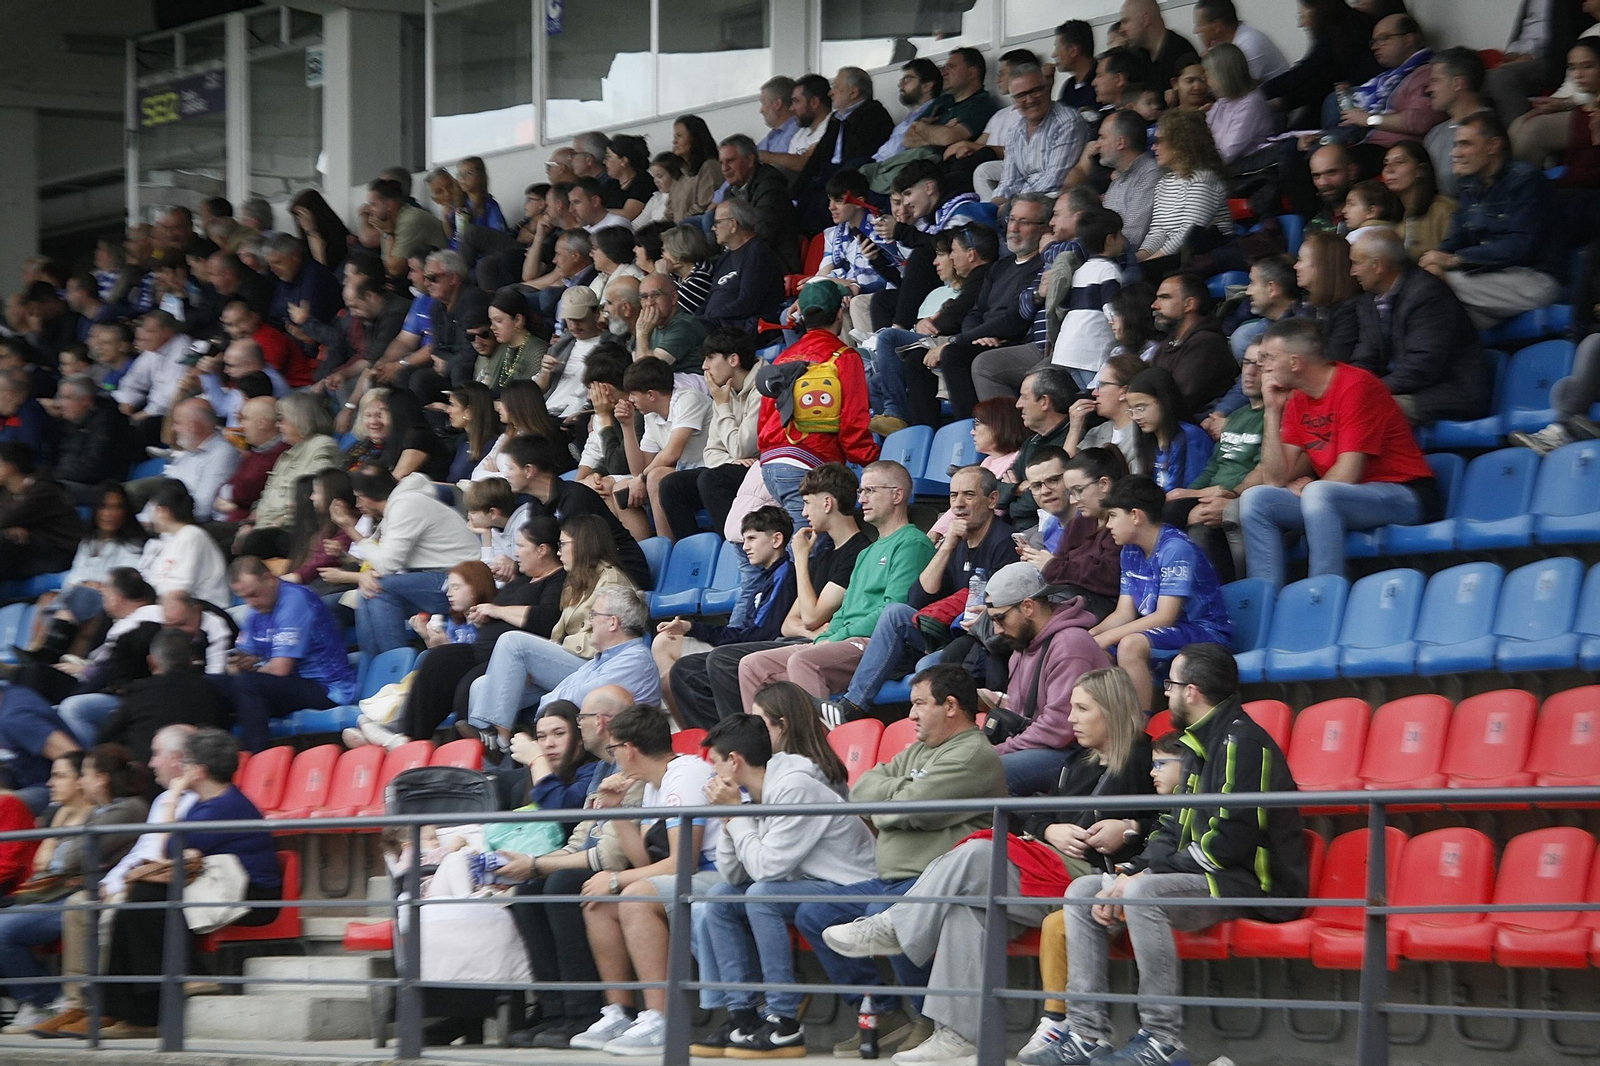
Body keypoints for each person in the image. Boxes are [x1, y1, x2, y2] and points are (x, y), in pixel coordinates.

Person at [826, 667, 1157, 1066]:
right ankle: (960, 1037)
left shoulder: (1144, 758)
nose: (1070, 719)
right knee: (968, 909)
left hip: (1093, 882)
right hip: (1048, 867)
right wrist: (1049, 827)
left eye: (1082, 709)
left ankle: (898, 925)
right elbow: (1029, 817)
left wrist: (1131, 830)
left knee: (979, 851)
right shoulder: (1077, 762)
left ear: (1111, 711)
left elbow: (1170, 828)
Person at [1043, 644, 1306, 1066]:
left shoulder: (1244, 742)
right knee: (1084, 891)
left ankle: (1162, 1040)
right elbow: (1171, 827)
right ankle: (1086, 1032)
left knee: (1143, 896)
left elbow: (1226, 844)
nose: (1165, 694)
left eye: (1171, 685)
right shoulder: (1199, 742)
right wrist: (1131, 869)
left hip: (1252, 883)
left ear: (1192, 692)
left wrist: (1142, 880)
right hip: (1207, 874)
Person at [793, 666, 1007, 1056]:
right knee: (813, 912)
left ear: (952, 706)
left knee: (885, 909)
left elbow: (912, 809)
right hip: (889, 878)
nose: (911, 715)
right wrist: (900, 796)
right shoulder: (918, 750)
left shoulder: (974, 753)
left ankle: (930, 1018)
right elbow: (862, 792)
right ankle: (884, 1013)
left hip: (933, 882)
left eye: (920, 704)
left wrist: (895, 801)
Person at [692, 713, 879, 1057]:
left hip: (855, 885)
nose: (711, 776)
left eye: (714, 764)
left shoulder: (794, 786)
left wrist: (736, 817)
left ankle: (784, 1021)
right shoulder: (757, 791)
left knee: (761, 897)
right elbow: (733, 876)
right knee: (719, 897)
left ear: (734, 761)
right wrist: (731, 819)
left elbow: (766, 869)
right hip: (808, 884)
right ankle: (743, 1016)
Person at [99, 728, 282, 1036]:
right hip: (214, 886)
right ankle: (133, 1010)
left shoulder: (223, 806)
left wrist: (173, 795)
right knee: (136, 904)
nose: (180, 770)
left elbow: (168, 847)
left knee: (145, 896)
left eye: (186, 764)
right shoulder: (209, 802)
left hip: (251, 895)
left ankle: (162, 999)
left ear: (200, 770)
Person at [567, 704, 723, 1056]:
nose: (614, 757)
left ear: (629, 749)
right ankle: (619, 1012)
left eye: (614, 749)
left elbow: (682, 863)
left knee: (634, 895)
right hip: (689, 876)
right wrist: (617, 813)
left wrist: (616, 879)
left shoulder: (684, 775)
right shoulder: (653, 782)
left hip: (719, 876)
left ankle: (661, 1019)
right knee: (599, 905)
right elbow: (648, 861)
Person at [1241, 317, 1440, 590]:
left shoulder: (1356, 386)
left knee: (1319, 493)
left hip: (1403, 494)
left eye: (1268, 357)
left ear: (1295, 362)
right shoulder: (1298, 398)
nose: (1261, 365)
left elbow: (1346, 475)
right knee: (1256, 499)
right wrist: (1272, 411)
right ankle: (1266, 598)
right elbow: (1275, 479)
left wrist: (1314, 486)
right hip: (1342, 497)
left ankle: (1322, 594)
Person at [817, 465, 1017, 727]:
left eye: (968, 495)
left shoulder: (1003, 542)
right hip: (943, 630)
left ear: (992, 500)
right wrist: (947, 545)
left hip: (977, 638)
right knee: (895, 613)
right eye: (953, 495)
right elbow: (918, 597)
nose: (958, 504)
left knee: (927, 666)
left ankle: (853, 710)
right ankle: (852, 705)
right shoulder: (955, 542)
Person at [736, 460, 934, 705]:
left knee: (805, 661)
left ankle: (817, 741)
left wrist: (836, 638)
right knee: (752, 665)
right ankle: (769, 741)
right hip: (845, 641)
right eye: (862, 492)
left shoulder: (912, 543)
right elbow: (844, 611)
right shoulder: (866, 553)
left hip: (877, 644)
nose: (861, 500)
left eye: (870, 491)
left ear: (897, 495)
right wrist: (824, 639)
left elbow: (891, 610)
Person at [363, 516, 570, 749]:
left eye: (521, 546)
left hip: (511, 656)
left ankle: (465, 752)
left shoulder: (558, 580)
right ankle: (408, 737)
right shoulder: (521, 581)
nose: (516, 552)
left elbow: (546, 619)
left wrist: (496, 610)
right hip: (482, 648)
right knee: (438, 659)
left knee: (467, 687)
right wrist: (483, 618)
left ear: (542, 550)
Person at [688, 463, 870, 723]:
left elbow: (810, 615)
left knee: (724, 660)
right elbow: (790, 624)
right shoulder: (823, 556)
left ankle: (749, 738)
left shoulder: (857, 552)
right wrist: (811, 629)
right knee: (690, 669)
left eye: (807, 503)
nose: (804, 511)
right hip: (805, 640)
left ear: (827, 503)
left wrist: (801, 559)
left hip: (828, 649)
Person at [0, 745, 148, 1033]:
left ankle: (45, 1001)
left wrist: (57, 843)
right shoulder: (80, 813)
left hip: (83, 895)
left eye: (83, 774)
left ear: (101, 778)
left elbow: (70, 858)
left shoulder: (127, 808)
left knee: (3, 930)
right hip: (56, 893)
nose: (79, 781)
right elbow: (49, 864)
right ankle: (50, 1002)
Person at [1090, 477, 1231, 708]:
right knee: (1097, 650)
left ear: (1135, 516)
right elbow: (1123, 613)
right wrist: (1091, 635)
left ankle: (1138, 730)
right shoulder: (1129, 551)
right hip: (1167, 630)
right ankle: (1117, 721)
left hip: (1204, 630)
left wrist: (1107, 637)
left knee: (1129, 644)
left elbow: (1165, 616)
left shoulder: (1175, 548)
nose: (1108, 525)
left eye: (1113, 516)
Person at [652, 507, 796, 726]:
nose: (745, 546)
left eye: (752, 538)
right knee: (665, 648)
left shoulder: (784, 575)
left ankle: (713, 734)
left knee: (681, 672)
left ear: (776, 540)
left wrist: (697, 629)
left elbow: (757, 635)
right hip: (742, 644)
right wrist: (691, 627)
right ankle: (689, 734)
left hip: (756, 652)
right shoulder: (767, 577)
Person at [753, 281, 878, 531]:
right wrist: (872, 461)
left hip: (771, 465)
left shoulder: (783, 357)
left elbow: (765, 419)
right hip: (807, 464)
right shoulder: (844, 356)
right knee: (808, 551)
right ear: (839, 313)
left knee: (803, 549)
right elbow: (853, 421)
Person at [468, 584, 659, 744]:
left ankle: (498, 744)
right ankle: (493, 752)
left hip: (610, 741)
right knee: (481, 686)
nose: (589, 622)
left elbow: (579, 697)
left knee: (511, 645)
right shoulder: (604, 658)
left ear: (612, 623)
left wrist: (545, 705)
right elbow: (568, 687)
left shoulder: (634, 660)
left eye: (593, 615)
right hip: (578, 726)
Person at [1422, 112, 1562, 329]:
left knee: (1433, 286)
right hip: (1486, 283)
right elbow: (1453, 241)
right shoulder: (1470, 189)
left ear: (1493, 145)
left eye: (1464, 144)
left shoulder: (1527, 182)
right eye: (1456, 145)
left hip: (1534, 280)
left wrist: (1454, 260)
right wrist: (1433, 259)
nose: (1454, 153)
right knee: (1439, 317)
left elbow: (1519, 247)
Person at [1349, 227, 1492, 425]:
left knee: (1363, 413)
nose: (1352, 271)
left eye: (1356, 263)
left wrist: (1369, 391)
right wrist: (1348, 389)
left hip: (1449, 393)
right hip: (1408, 389)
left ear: (1377, 265)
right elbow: (1366, 356)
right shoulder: (1368, 301)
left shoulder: (1426, 294)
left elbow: (1423, 365)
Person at [226, 557, 358, 751]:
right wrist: (237, 667)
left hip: (327, 688)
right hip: (290, 687)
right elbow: (242, 659)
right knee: (216, 685)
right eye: (243, 597)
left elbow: (280, 669)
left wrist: (252, 670)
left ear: (269, 579)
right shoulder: (257, 610)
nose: (250, 603)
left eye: (253, 594)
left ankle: (256, 759)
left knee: (246, 684)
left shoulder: (294, 599)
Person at [347, 466, 482, 654]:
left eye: (357, 497)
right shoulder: (402, 504)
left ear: (364, 497)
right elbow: (386, 559)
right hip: (436, 575)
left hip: (461, 577)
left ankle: (395, 670)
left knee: (378, 590)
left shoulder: (406, 505)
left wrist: (350, 529)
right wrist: (369, 574)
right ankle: (375, 674)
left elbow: (387, 565)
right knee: (367, 593)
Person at [1166, 341, 1268, 583]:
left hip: (1239, 496)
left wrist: (1224, 494)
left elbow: (1263, 470)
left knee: (1195, 523)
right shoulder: (1236, 417)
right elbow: (1213, 466)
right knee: (1155, 512)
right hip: (1213, 491)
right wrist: (1189, 493)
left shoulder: (1272, 417)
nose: (1250, 372)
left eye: (1259, 365)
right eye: (1246, 363)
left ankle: (1219, 601)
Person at [656, 328, 760, 541]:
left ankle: (735, 546)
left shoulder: (762, 388)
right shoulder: (723, 391)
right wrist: (734, 460)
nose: (704, 366)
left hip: (761, 469)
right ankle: (694, 553)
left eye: (710, 358)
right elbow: (711, 452)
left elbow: (743, 447)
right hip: (739, 466)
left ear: (733, 359)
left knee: (711, 480)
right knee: (670, 485)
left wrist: (722, 405)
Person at [1020, 446, 1128, 620]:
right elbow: (1059, 566)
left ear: (1104, 485)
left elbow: (1112, 577)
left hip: (1105, 606)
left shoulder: (1122, 526)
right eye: (1071, 493)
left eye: (1079, 491)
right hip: (1077, 600)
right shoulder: (1080, 522)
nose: (1073, 500)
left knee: (1044, 606)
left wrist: (1052, 565)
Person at [613, 357, 713, 541]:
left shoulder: (687, 398)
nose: (630, 400)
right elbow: (639, 469)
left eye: (633, 394)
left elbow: (672, 452)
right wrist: (626, 426)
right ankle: (647, 548)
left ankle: (669, 545)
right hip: (684, 475)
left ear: (651, 394)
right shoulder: (651, 416)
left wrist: (642, 478)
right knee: (620, 486)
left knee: (656, 476)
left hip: (710, 471)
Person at [95, 628, 227, 762]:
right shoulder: (211, 691)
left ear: (152, 662)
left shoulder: (140, 692)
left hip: (144, 778)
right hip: (199, 772)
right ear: (191, 661)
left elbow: (104, 738)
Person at [1138, 110, 1233, 263]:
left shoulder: (1203, 180)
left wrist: (1151, 263)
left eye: (1159, 141)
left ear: (1180, 144)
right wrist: (1139, 258)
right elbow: (1158, 231)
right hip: (1175, 258)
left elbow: (1189, 233)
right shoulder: (1164, 182)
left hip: (1202, 258)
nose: (1154, 148)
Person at [929, 398, 1025, 541]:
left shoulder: (1016, 460)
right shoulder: (988, 461)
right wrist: (935, 533)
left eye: (977, 425)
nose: (972, 432)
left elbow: (990, 509)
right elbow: (956, 508)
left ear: (998, 425)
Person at [991, 64, 1089, 203]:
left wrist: (1013, 203)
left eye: (1035, 91)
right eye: (1021, 95)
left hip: (1054, 201)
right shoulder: (1014, 132)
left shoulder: (1067, 122)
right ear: (1014, 101)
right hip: (1022, 203)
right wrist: (995, 203)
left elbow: (1054, 181)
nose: (1030, 100)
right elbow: (1009, 180)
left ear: (1047, 88)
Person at [716, 135, 803, 275]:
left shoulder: (771, 187)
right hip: (743, 259)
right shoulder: (730, 193)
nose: (724, 168)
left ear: (750, 160)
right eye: (721, 163)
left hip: (775, 263)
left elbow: (762, 234)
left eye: (730, 161)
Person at [700, 199, 787, 333]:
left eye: (717, 223)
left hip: (739, 331)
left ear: (733, 224)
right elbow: (710, 297)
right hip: (716, 327)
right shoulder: (727, 256)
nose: (713, 228)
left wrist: (709, 318)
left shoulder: (757, 253)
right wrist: (695, 321)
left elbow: (747, 303)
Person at [138, 479, 228, 606]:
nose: (151, 517)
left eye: (152, 510)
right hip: (174, 608)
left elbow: (179, 590)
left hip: (203, 610)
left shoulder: (192, 535)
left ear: (163, 512)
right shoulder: (172, 539)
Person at [1125, 368, 1215, 495]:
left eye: (1141, 408)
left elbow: (1192, 486)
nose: (1135, 416)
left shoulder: (1191, 436)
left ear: (1164, 401)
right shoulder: (1148, 440)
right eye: (1131, 410)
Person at [0, 443, 80, 580]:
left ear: (11, 466)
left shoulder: (44, 490)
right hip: (31, 550)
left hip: (58, 554)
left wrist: (9, 529)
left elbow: (8, 518)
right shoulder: (7, 492)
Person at [52, 374, 132, 503]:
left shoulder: (107, 424)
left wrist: (51, 476)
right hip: (69, 478)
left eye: (66, 398)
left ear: (86, 401)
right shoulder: (73, 421)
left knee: (46, 491)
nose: (59, 404)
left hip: (99, 488)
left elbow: (92, 469)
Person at [1381, 139, 1458, 259]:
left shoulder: (1444, 210)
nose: (1389, 169)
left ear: (1420, 170)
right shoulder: (1393, 216)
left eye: (1399, 162)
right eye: (1386, 164)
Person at [1204, 43, 1274, 165]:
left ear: (1223, 75)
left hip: (1244, 171)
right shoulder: (1222, 102)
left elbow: (1226, 154)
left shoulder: (1251, 104)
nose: (1207, 81)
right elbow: (1204, 135)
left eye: (1209, 74)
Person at [1192, 0, 1290, 81]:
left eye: (1199, 25)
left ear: (1217, 26)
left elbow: (1235, 90)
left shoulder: (1247, 45)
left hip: (1280, 102)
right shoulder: (1231, 41)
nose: (1195, 31)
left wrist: (1209, 62)